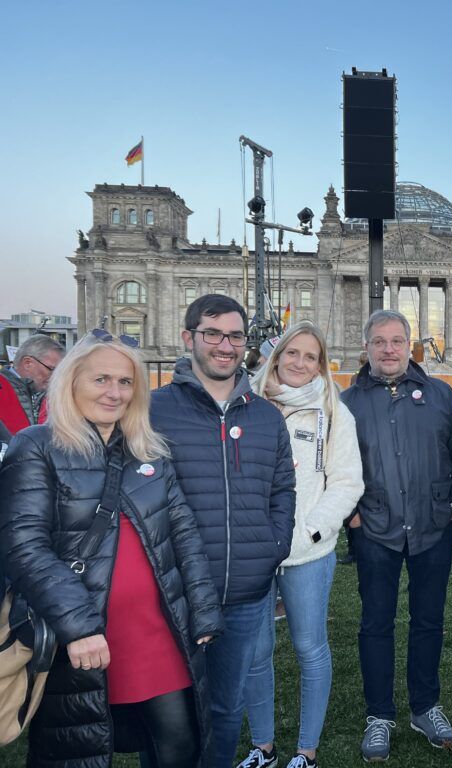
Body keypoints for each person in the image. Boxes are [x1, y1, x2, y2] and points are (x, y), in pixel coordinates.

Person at [0, 330, 224, 767]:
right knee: (77, 750)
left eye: (125, 382)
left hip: (157, 628)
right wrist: (80, 627)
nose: (114, 392)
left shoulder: (148, 450)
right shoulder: (36, 447)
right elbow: (25, 547)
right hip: (81, 631)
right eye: (101, 379)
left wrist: (203, 605)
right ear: (71, 381)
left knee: (179, 744)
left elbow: (182, 532)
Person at [150, 294, 296, 767]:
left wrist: (274, 546)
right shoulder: (152, 410)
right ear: (189, 338)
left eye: (234, 335)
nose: (225, 345)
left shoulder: (266, 416)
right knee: (167, 713)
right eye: (213, 333)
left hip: (246, 594)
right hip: (171, 595)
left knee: (227, 710)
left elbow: (283, 490)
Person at [340, 309, 452, 762]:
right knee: (376, 623)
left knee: (428, 620)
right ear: (367, 347)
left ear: (409, 345)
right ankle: (380, 714)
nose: (389, 350)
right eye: (379, 341)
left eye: (397, 341)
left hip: (433, 526)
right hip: (374, 528)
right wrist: (351, 515)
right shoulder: (347, 402)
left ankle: (425, 706)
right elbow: (336, 468)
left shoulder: (441, 396)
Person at [238, 321, 364, 768]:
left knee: (310, 648)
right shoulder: (245, 404)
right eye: (292, 353)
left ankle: (306, 751)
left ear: (320, 363)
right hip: (252, 550)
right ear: (277, 354)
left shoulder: (334, 409)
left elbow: (348, 483)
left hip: (307, 551)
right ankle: (263, 746)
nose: (299, 363)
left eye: (310, 356)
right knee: (255, 652)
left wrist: (312, 529)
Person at [0, 333, 65, 436]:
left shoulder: (46, 394)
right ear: (28, 363)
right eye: (51, 369)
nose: (55, 376)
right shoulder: (2, 388)